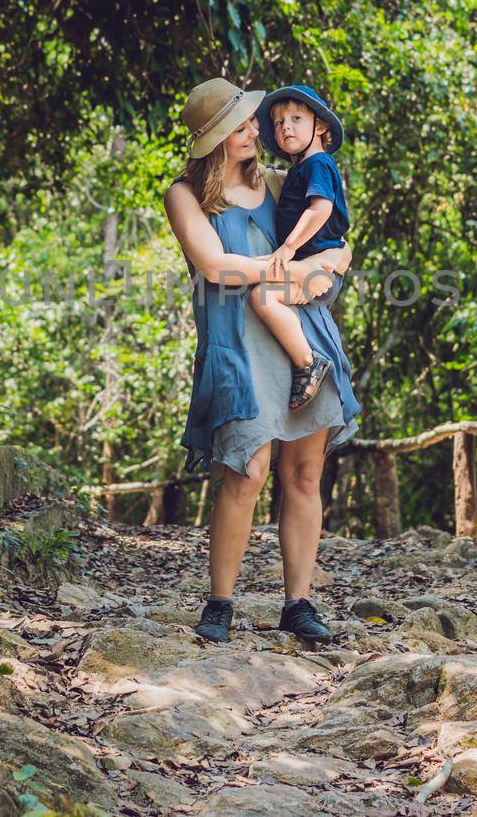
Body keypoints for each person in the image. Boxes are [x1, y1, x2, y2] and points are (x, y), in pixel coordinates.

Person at [164, 77, 361, 645]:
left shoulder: (281, 180)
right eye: (244, 124)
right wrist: (296, 271)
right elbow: (215, 266)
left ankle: (298, 603)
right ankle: (220, 602)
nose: (258, 130)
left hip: (301, 337)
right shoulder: (187, 195)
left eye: (256, 121)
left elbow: (337, 245)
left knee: (304, 474)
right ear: (215, 138)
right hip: (237, 343)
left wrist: (328, 263)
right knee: (245, 473)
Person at [248, 85, 350, 409]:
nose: (285, 127)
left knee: (261, 297)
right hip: (310, 266)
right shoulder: (300, 169)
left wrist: (288, 248)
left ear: (320, 126)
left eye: (295, 118)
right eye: (278, 123)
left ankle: (308, 362)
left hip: (318, 268)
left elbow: (320, 209)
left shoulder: (319, 163)